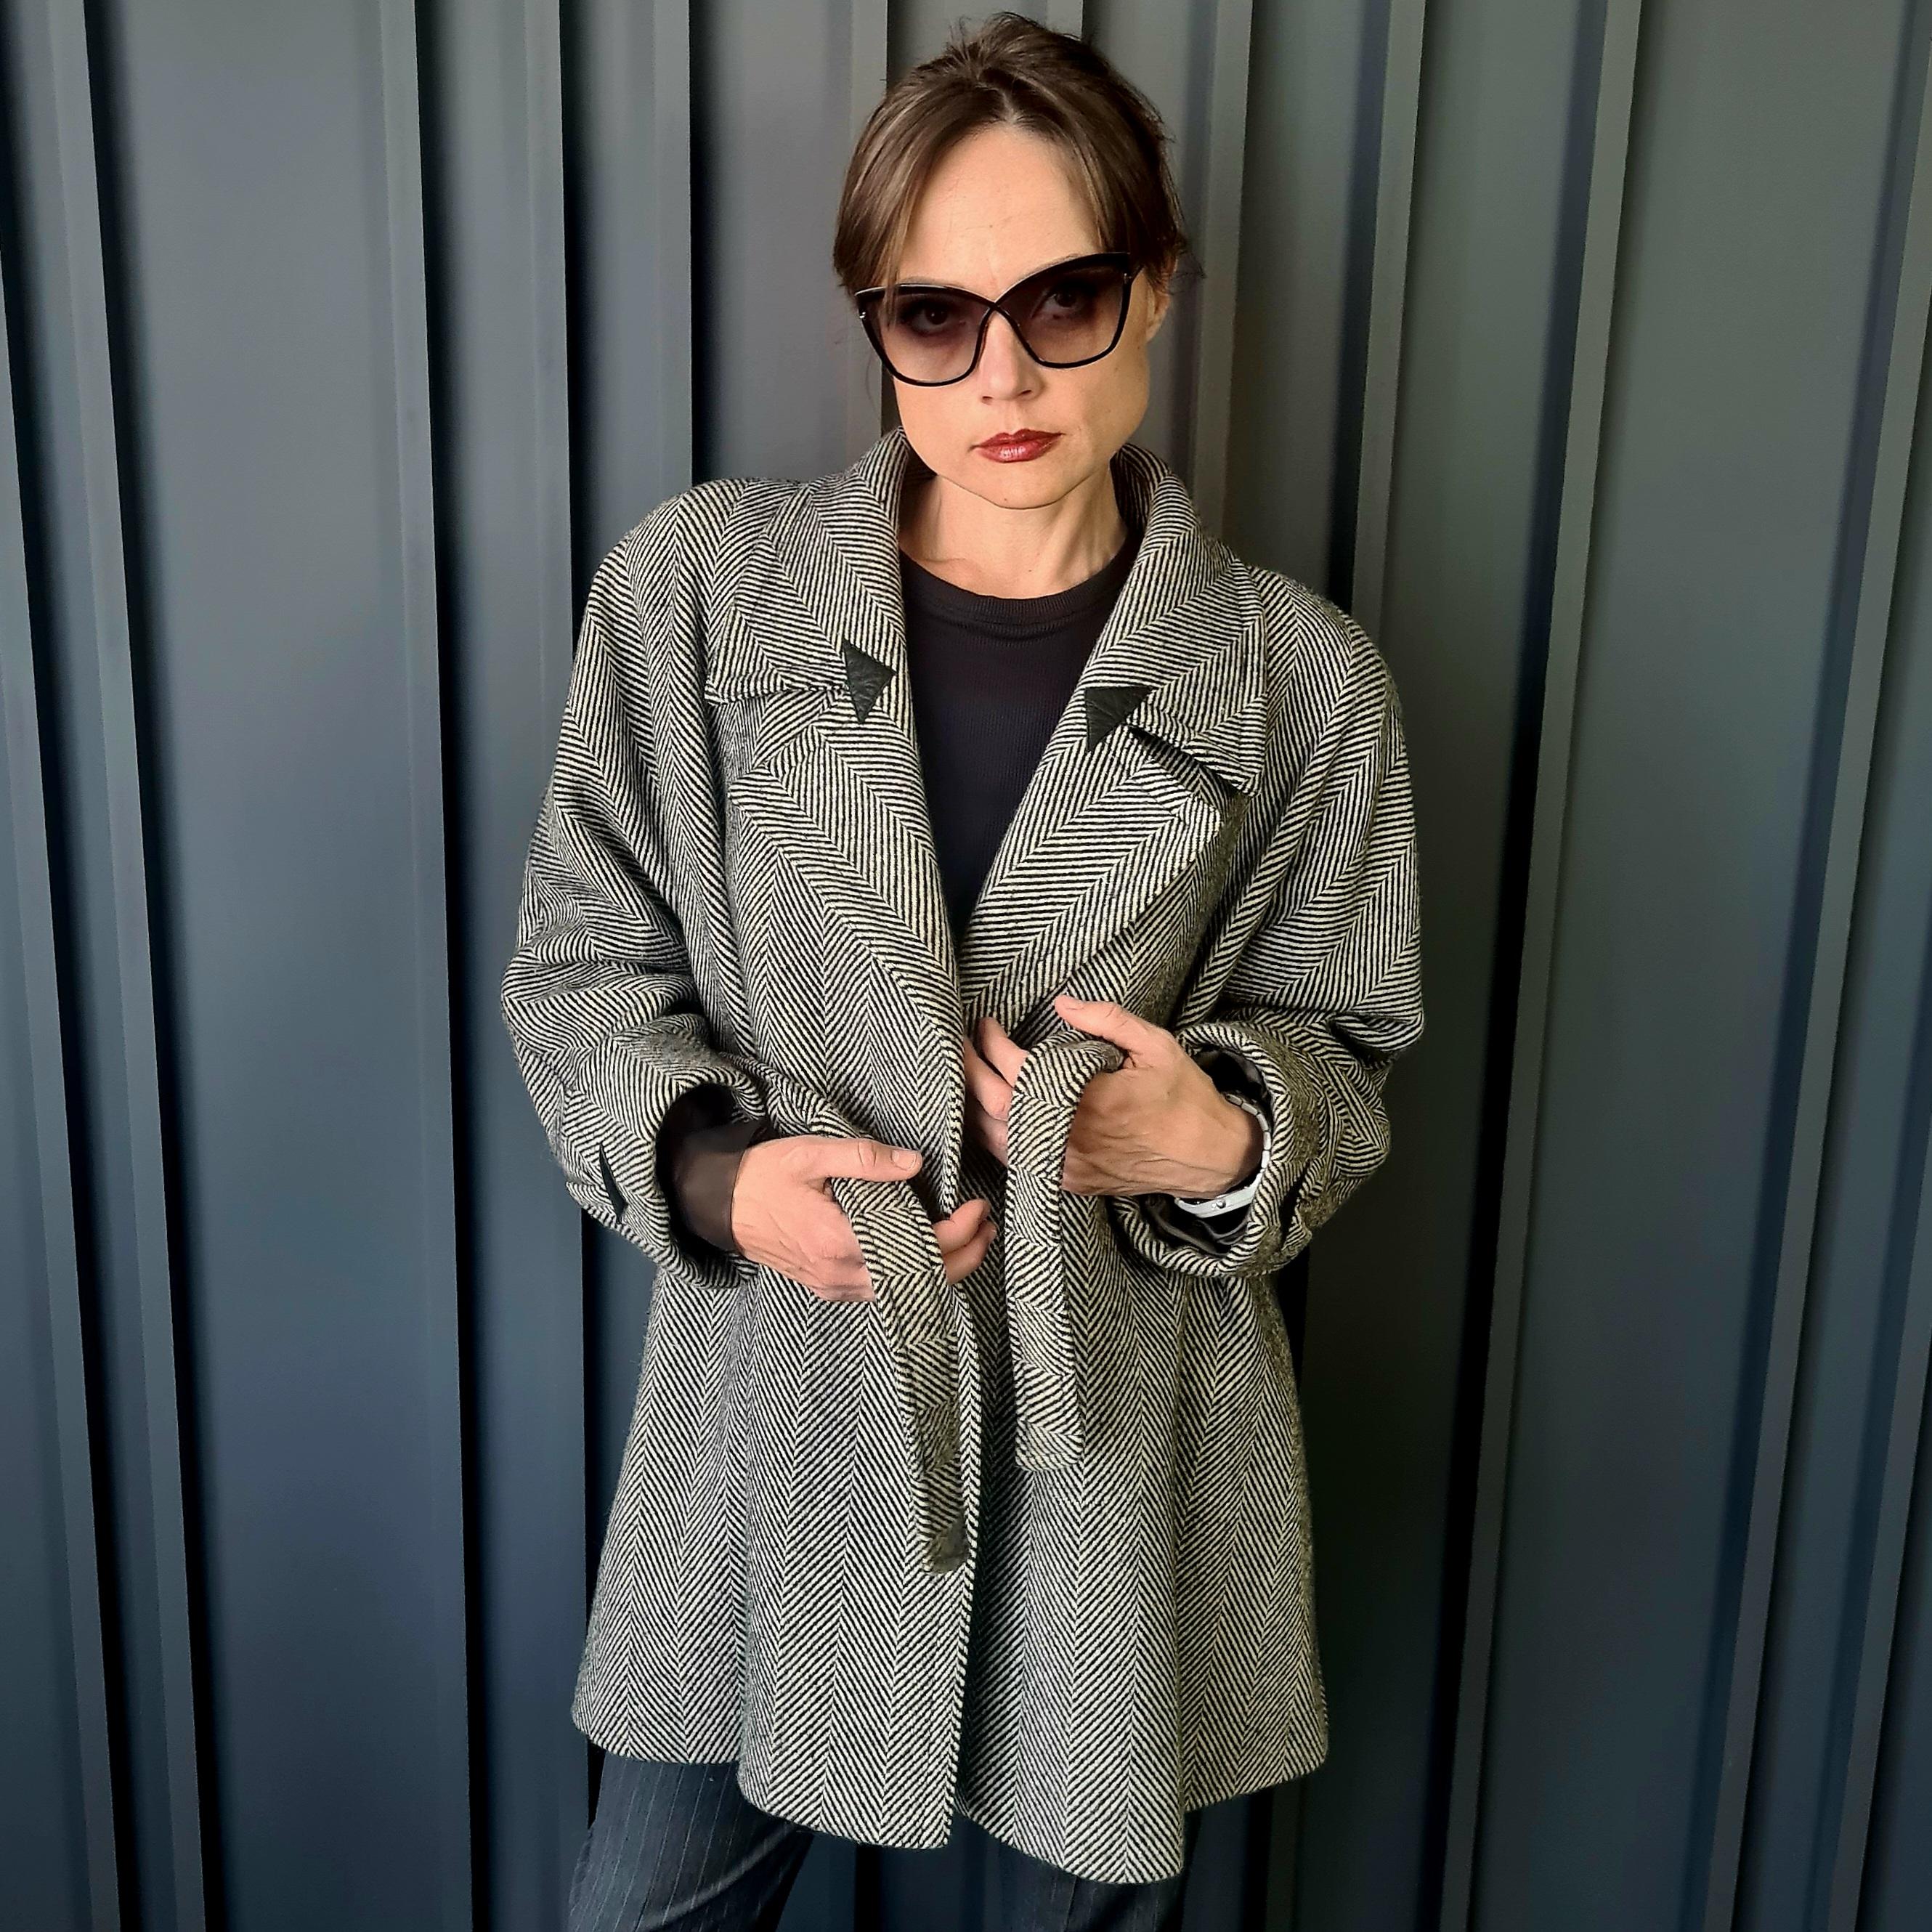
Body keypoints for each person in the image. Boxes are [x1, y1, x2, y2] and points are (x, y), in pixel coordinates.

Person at [499, 14, 1426, 1931]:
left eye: (1062, 298)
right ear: (878, 324)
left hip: (1117, 1456)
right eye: (934, 317)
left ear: (1155, 283)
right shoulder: (698, 599)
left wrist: (1216, 1137)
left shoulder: (1298, 682)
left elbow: (1345, 1050)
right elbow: (581, 965)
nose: (1001, 375)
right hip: (778, 1415)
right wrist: (720, 1180)